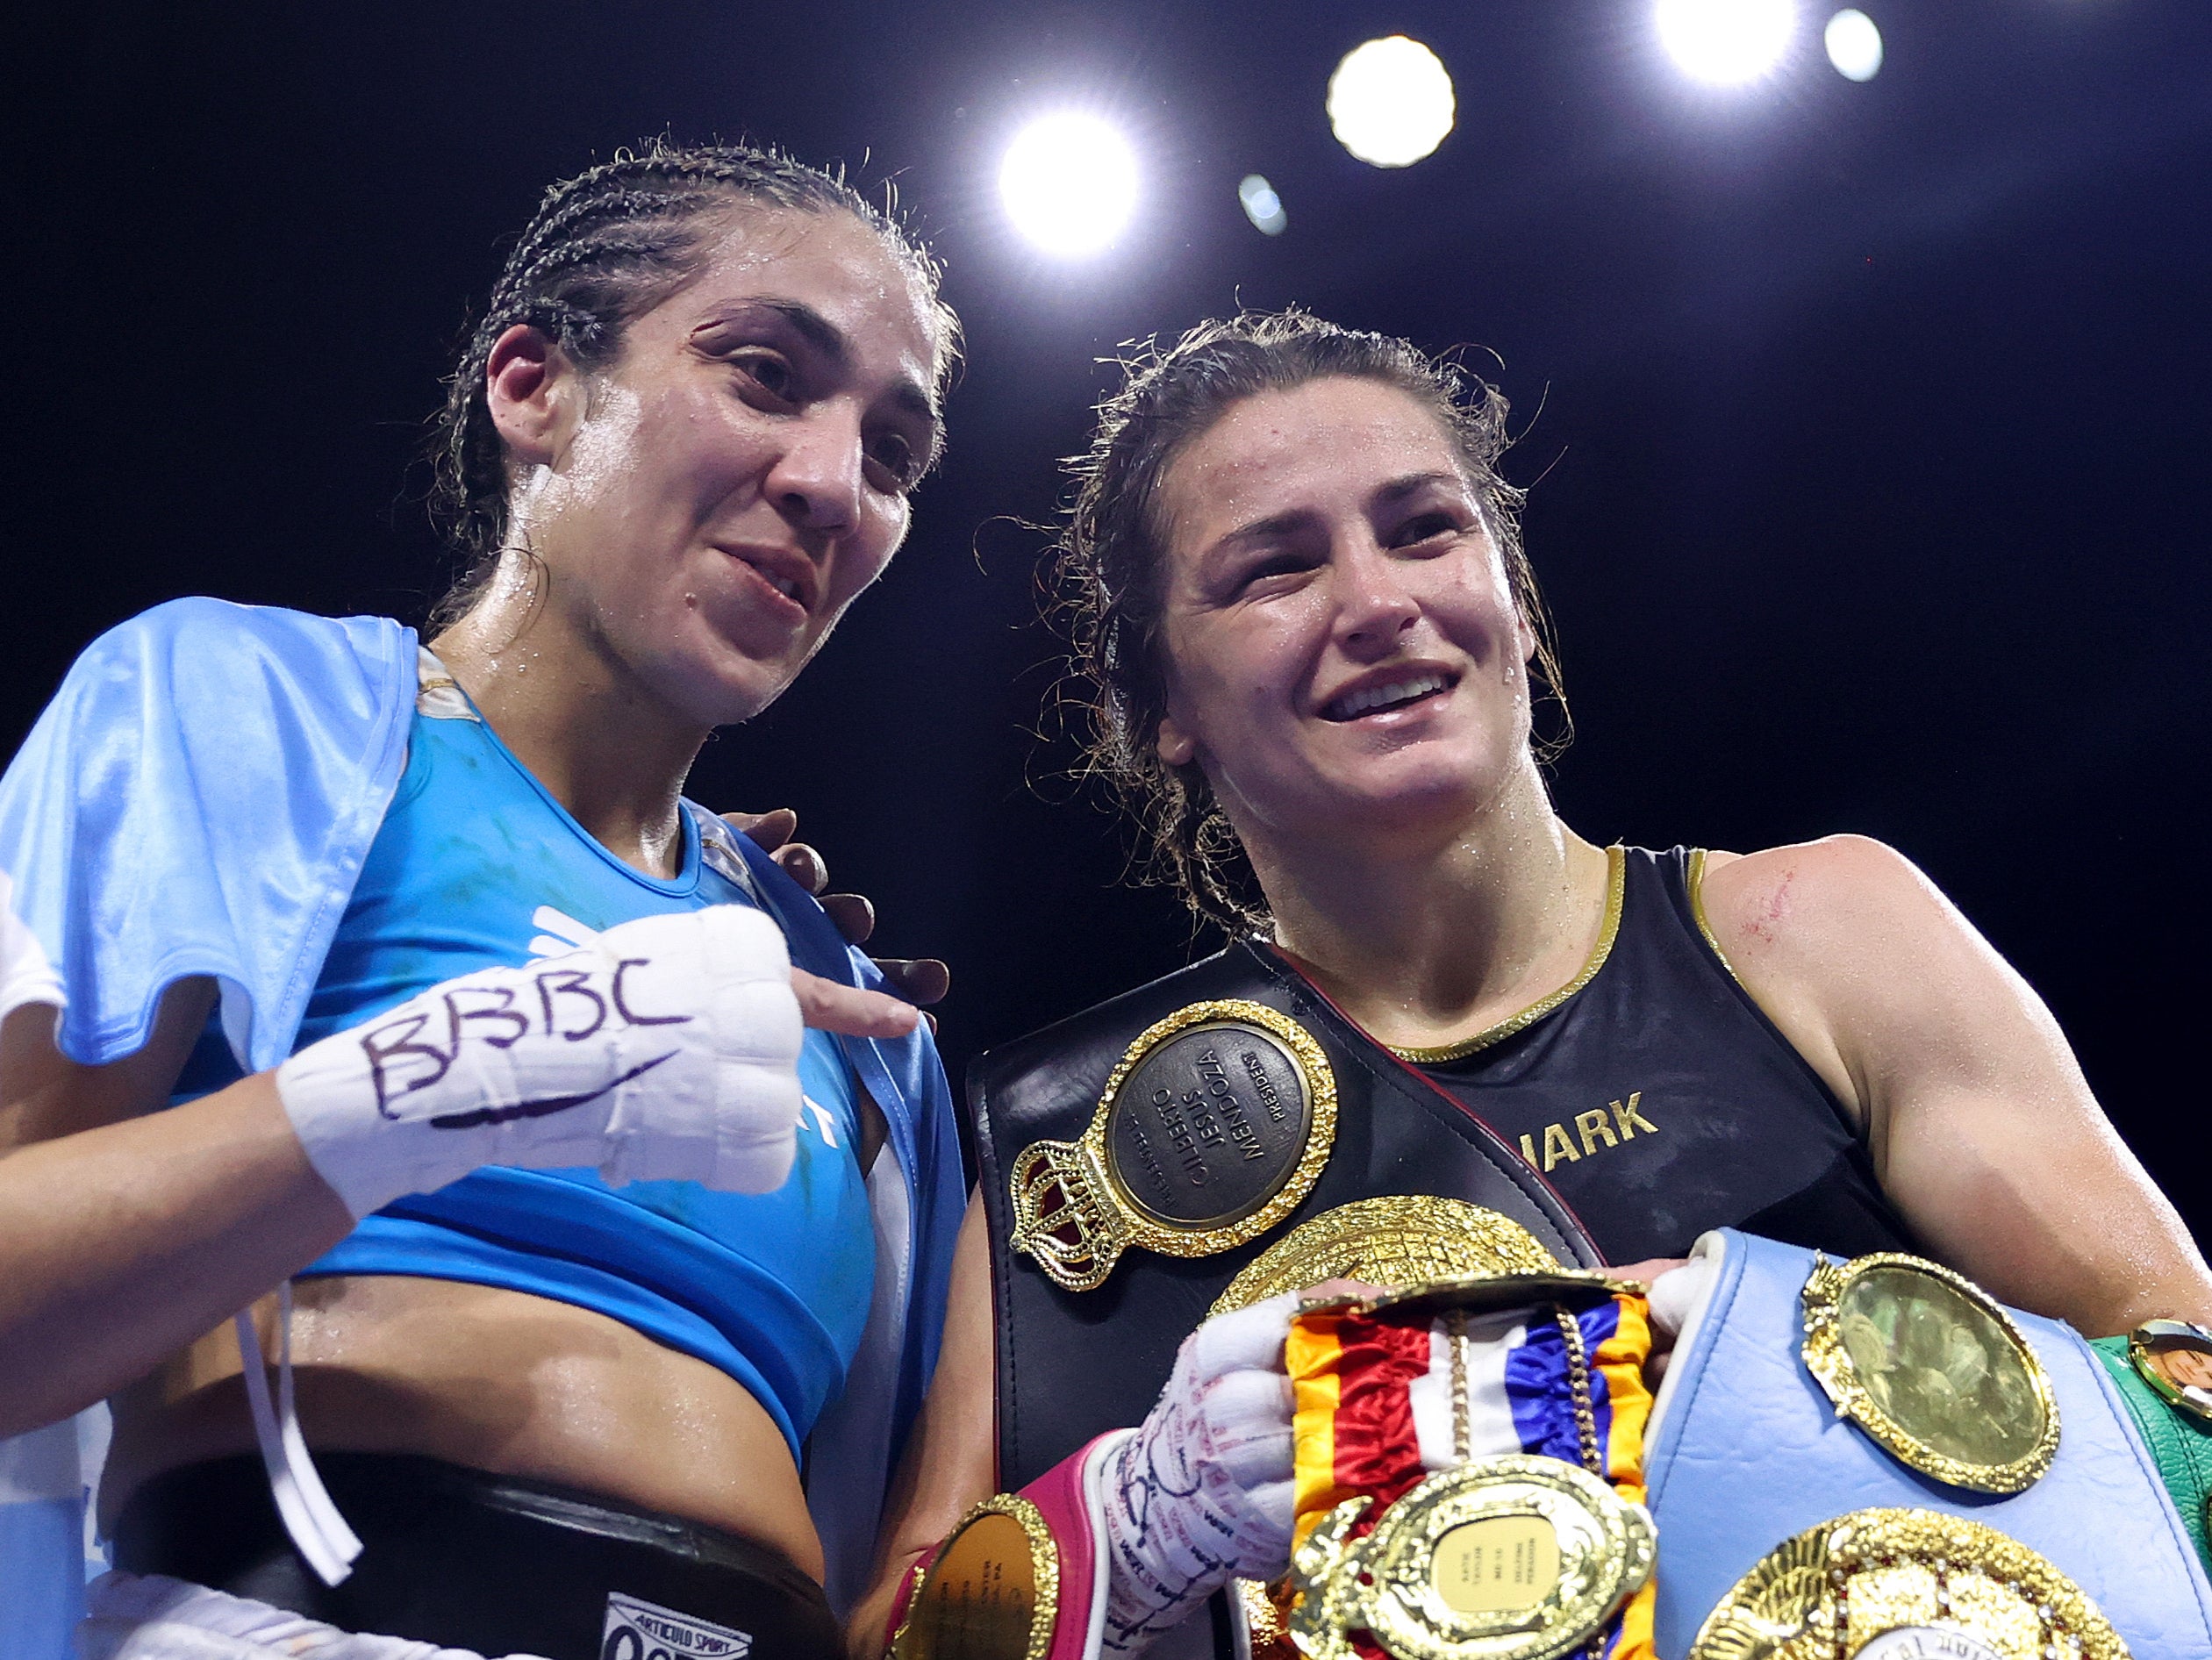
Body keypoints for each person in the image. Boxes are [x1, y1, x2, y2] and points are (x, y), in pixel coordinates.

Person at [853, 309, 2212, 1657]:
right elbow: (895, 1637)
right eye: (1273, 569)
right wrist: (1139, 1522)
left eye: (1424, 528)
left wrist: (1774, 1368)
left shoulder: (1815, 932)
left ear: (1508, 585)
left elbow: (2195, 1404)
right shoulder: (1066, 1145)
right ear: (1156, 706)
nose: (1377, 601)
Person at [0, 140, 967, 1660]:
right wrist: (445, 1083)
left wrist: (1140, 1510)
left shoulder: (843, 998)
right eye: (766, 374)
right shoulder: (241, 708)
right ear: (533, 387)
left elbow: (919, 1575)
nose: (834, 483)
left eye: (896, 453)